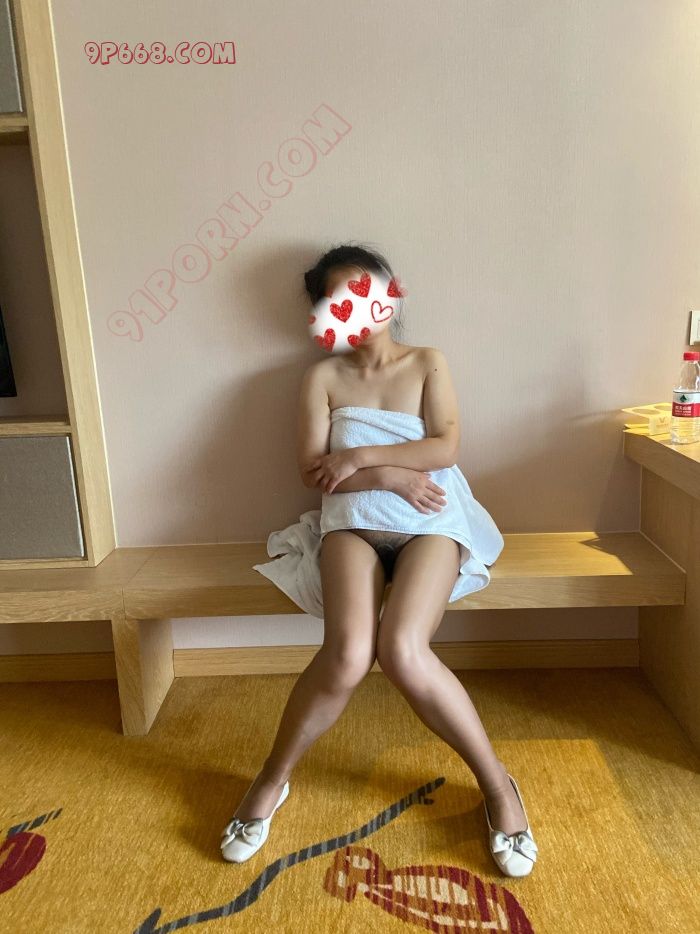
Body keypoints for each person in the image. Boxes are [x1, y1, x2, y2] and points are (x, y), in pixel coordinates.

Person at [221, 243, 538, 877]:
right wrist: (389, 477)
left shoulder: (427, 361)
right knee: (345, 656)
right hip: (353, 526)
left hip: (430, 525)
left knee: (403, 651)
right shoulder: (322, 379)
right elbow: (314, 472)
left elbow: (445, 448)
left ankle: (499, 786)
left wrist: (363, 459)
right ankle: (271, 780)